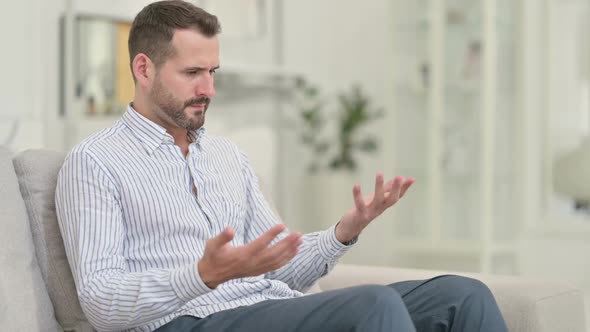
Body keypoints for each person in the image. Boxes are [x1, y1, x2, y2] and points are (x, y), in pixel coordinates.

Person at [55, 1, 509, 331]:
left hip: (265, 307)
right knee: (373, 307)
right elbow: (100, 302)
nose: (209, 88)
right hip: (191, 321)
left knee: (462, 296)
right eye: (193, 73)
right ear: (143, 68)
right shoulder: (96, 162)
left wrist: (342, 233)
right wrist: (204, 274)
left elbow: (280, 271)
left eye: (214, 72)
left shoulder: (227, 157)